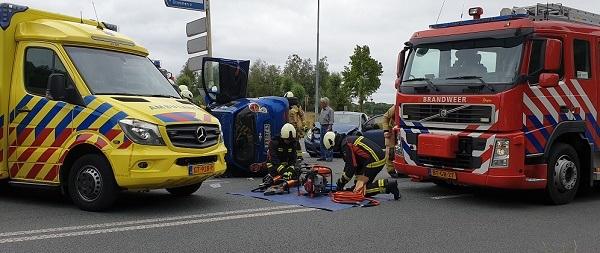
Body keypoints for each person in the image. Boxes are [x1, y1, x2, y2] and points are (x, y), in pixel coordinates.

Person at [323, 132, 400, 200]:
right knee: (357, 185)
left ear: (332, 142)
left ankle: (388, 185)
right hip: (372, 159)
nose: (334, 150)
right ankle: (383, 185)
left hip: (374, 161)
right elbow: (354, 163)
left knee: (359, 191)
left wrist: (341, 183)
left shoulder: (345, 145)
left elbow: (351, 167)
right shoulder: (347, 139)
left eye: (332, 148)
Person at [382, 105, 404, 178]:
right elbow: (385, 117)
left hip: (402, 132)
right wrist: (386, 130)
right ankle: (391, 170)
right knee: (391, 152)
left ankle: (402, 170)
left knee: (402, 151)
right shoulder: (395, 107)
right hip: (392, 132)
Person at [284, 91, 305, 158]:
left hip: (294, 126)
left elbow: (302, 115)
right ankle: (291, 155)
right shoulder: (286, 106)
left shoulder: (297, 107)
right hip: (287, 126)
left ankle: (299, 155)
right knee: (289, 141)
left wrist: (304, 125)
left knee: (295, 141)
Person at [318, 97, 334, 162]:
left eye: (322, 103)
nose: (321, 104)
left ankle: (329, 157)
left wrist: (329, 128)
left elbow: (331, 120)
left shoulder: (330, 110)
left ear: (325, 103)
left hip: (327, 127)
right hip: (322, 126)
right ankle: (323, 156)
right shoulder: (322, 110)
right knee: (322, 142)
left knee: (328, 142)